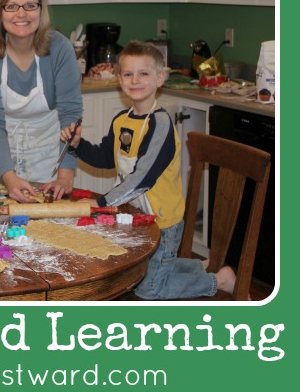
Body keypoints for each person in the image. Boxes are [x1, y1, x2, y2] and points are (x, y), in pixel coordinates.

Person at [61, 41, 236, 300]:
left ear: (160, 78)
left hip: (163, 221)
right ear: (120, 79)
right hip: (139, 216)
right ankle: (195, 265)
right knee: (137, 272)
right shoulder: (122, 119)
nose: (135, 80)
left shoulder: (161, 124)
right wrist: (78, 145)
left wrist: (100, 203)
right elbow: (106, 158)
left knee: (148, 289)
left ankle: (218, 280)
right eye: (128, 74)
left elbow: (142, 179)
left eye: (144, 73)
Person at [0, 0, 83, 203]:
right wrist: (9, 177)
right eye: (11, 6)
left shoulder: (59, 49)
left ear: (41, 10)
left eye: (30, 5)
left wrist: (65, 175)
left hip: (48, 147)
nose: (21, 14)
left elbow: (70, 115)